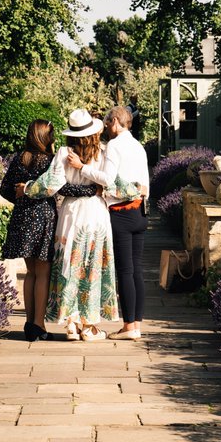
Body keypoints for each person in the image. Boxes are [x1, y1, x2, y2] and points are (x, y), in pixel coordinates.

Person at [23, 108, 140, 342]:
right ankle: (89, 326)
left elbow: (51, 184)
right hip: (96, 212)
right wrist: (133, 190)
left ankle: (72, 323)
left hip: (71, 213)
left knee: (69, 264)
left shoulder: (64, 153)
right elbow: (116, 183)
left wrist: (27, 188)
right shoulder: (103, 152)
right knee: (92, 266)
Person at [69, 105, 149, 340]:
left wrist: (82, 168)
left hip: (121, 213)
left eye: (106, 123)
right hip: (141, 212)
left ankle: (128, 327)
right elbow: (145, 182)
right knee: (137, 269)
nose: (105, 128)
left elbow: (107, 178)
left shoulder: (114, 145)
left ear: (115, 121)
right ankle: (136, 325)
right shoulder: (138, 146)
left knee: (125, 271)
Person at [0, 120, 57, 341]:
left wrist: (20, 198)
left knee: (31, 272)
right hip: (43, 218)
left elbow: (4, 189)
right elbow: (58, 186)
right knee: (43, 273)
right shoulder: (50, 162)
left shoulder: (19, 159)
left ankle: (29, 323)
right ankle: (39, 325)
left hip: (22, 219)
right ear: (46, 137)